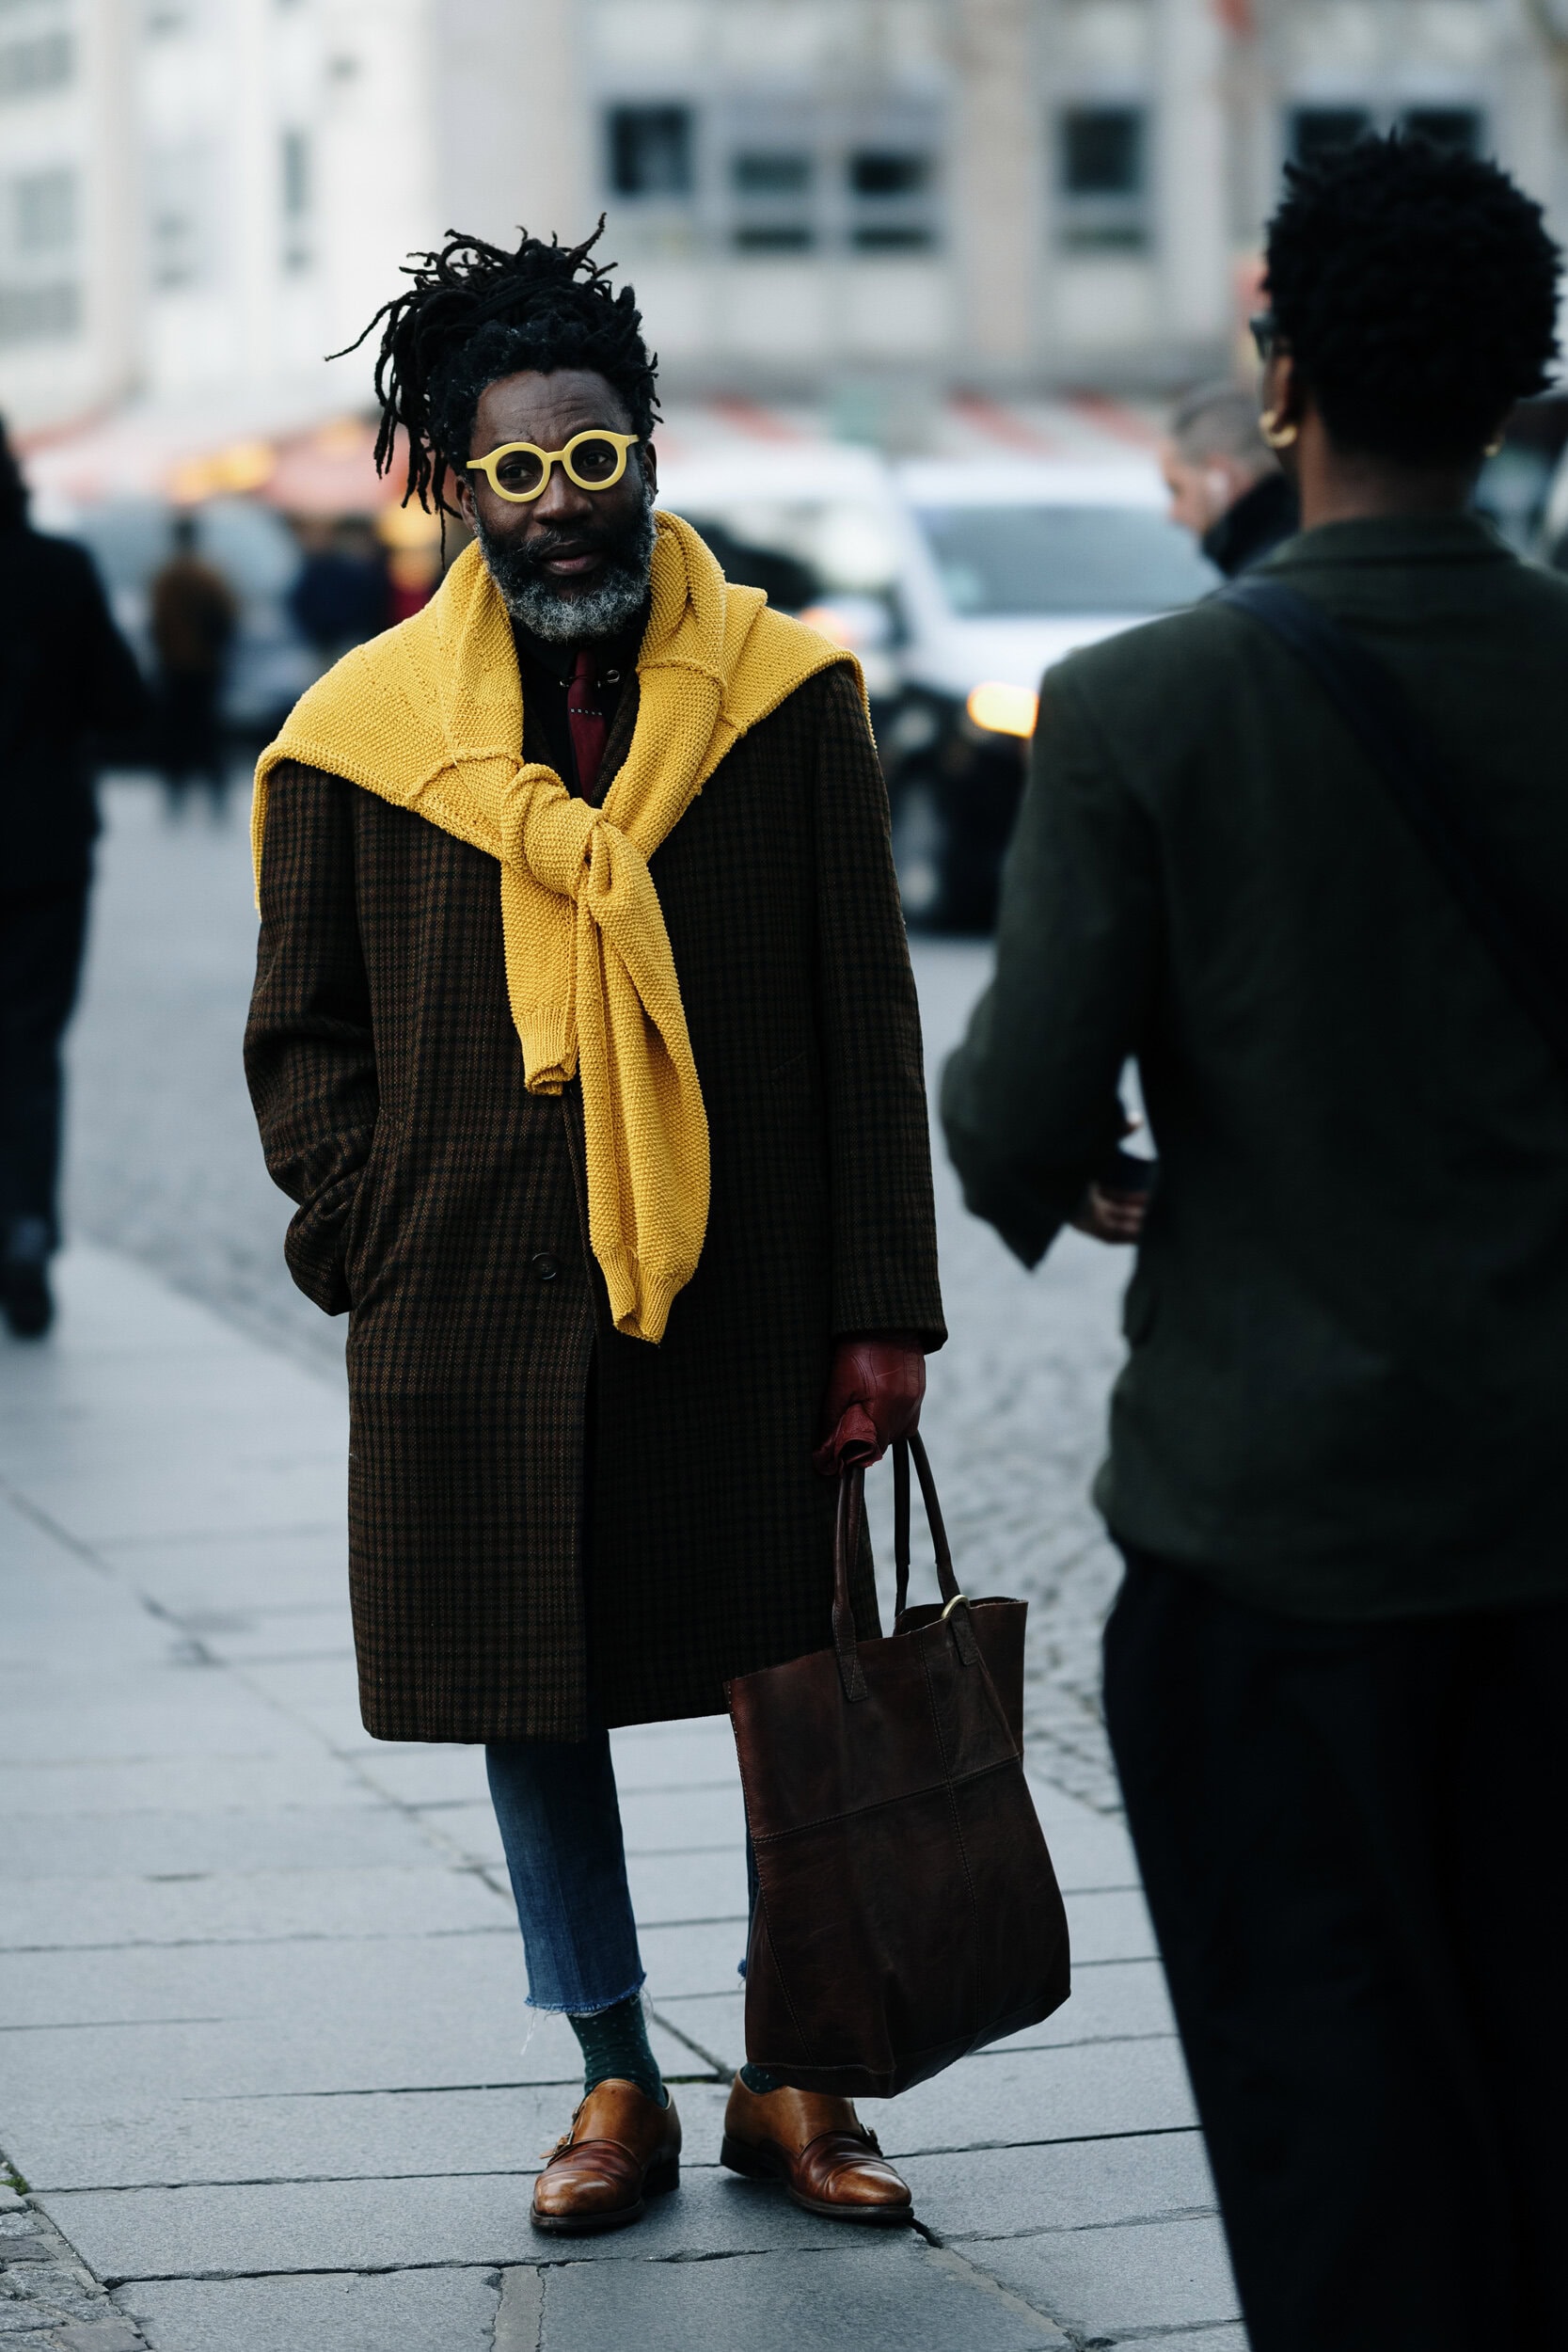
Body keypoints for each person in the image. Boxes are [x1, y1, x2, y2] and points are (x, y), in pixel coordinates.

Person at [245, 226, 943, 2236]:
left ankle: (794, 2068)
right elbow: (302, 1037)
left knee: (778, 1680)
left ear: (646, 456)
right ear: (451, 489)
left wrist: (877, 1311)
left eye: (596, 459)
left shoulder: (785, 698)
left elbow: (861, 1020)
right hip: (471, 1306)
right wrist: (368, 1232)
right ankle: (612, 2066)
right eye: (517, 472)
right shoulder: (356, 738)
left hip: (742, 1289)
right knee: (526, 1683)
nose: (563, 507)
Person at [941, 134, 1566, 2352]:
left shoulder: (1145, 707)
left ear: (1276, 376)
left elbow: (1012, 1106)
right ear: (1513, 393)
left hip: (1271, 1544)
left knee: (1339, 2161)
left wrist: (1088, 1173)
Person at [0, 420, 148, 1338]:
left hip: (43, 846)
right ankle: (25, 1227)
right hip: (43, 848)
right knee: (28, 1048)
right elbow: (124, 702)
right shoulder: (59, 570)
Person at [1161, 378, 1298, 576]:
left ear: (1219, 477)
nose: (1172, 515)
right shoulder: (1301, 538)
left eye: (1177, 489)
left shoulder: (1260, 584)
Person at [149, 512, 237, 804]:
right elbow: (228, 618)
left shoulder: (167, 578)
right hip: (205, 664)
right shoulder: (209, 576)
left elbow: (158, 624)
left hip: (175, 663)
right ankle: (215, 788)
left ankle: (177, 789)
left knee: (177, 729)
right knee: (206, 729)